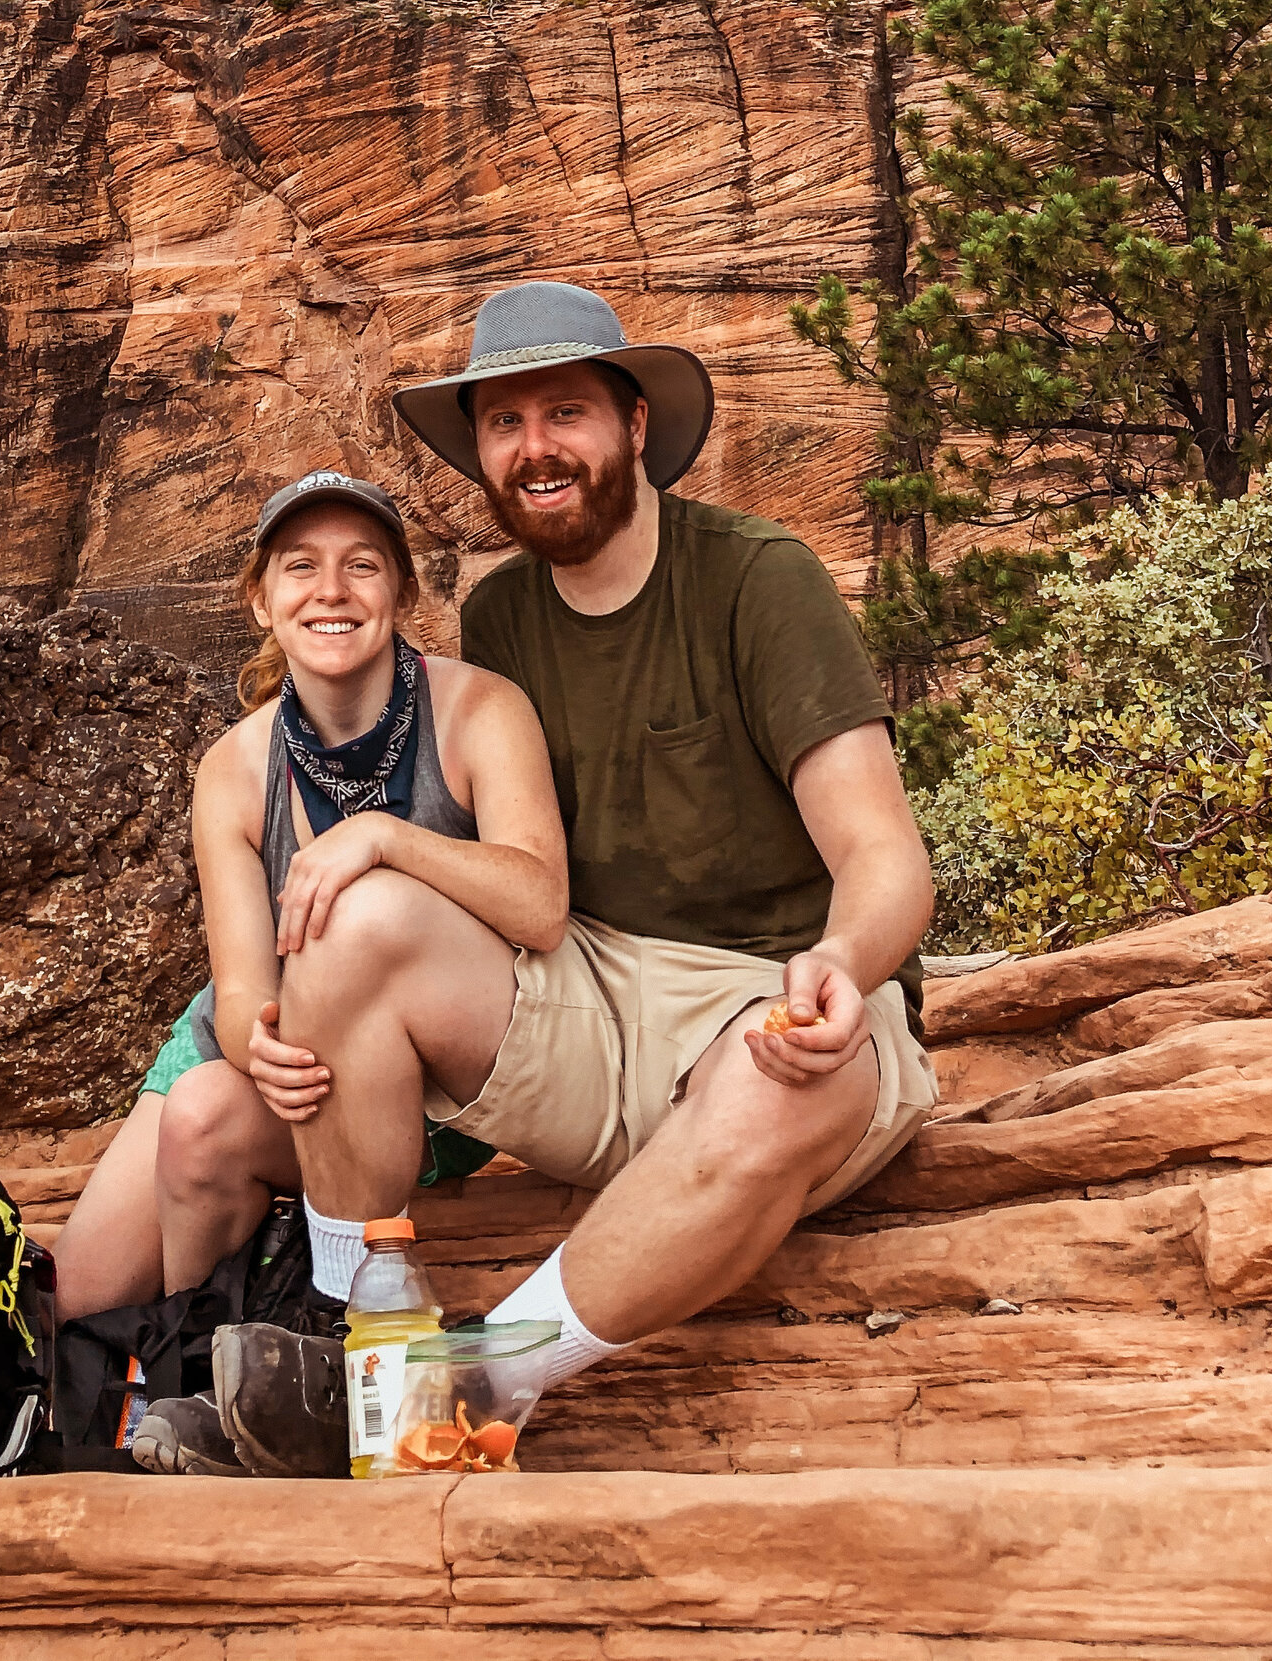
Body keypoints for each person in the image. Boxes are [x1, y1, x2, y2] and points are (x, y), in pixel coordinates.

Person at [232, 280, 938, 1419]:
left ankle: (472, 1383)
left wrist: (844, 964)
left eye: (563, 413)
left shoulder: (758, 581)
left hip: (769, 1000)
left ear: (635, 426)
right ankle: (348, 1340)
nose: (532, 448)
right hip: (588, 999)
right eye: (503, 423)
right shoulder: (504, 615)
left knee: (771, 1094)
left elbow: (885, 857)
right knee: (351, 923)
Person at [50, 466, 566, 1354]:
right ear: (260, 598)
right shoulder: (236, 768)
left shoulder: (479, 710)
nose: (332, 591)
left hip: (424, 1068)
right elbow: (242, 986)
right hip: (276, 1047)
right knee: (80, 1297)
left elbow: (542, 905)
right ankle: (207, 1366)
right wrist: (263, 1048)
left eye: (362, 565)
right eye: (300, 566)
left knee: (347, 945)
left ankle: (312, 1317)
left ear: (401, 590)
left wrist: (386, 836)